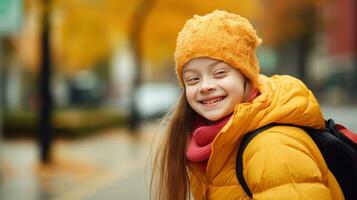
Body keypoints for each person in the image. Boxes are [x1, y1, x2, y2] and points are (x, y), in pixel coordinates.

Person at [151, 10, 344, 200]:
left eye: (219, 73)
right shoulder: (214, 145)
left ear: (246, 76)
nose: (206, 86)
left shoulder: (272, 147)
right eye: (193, 79)